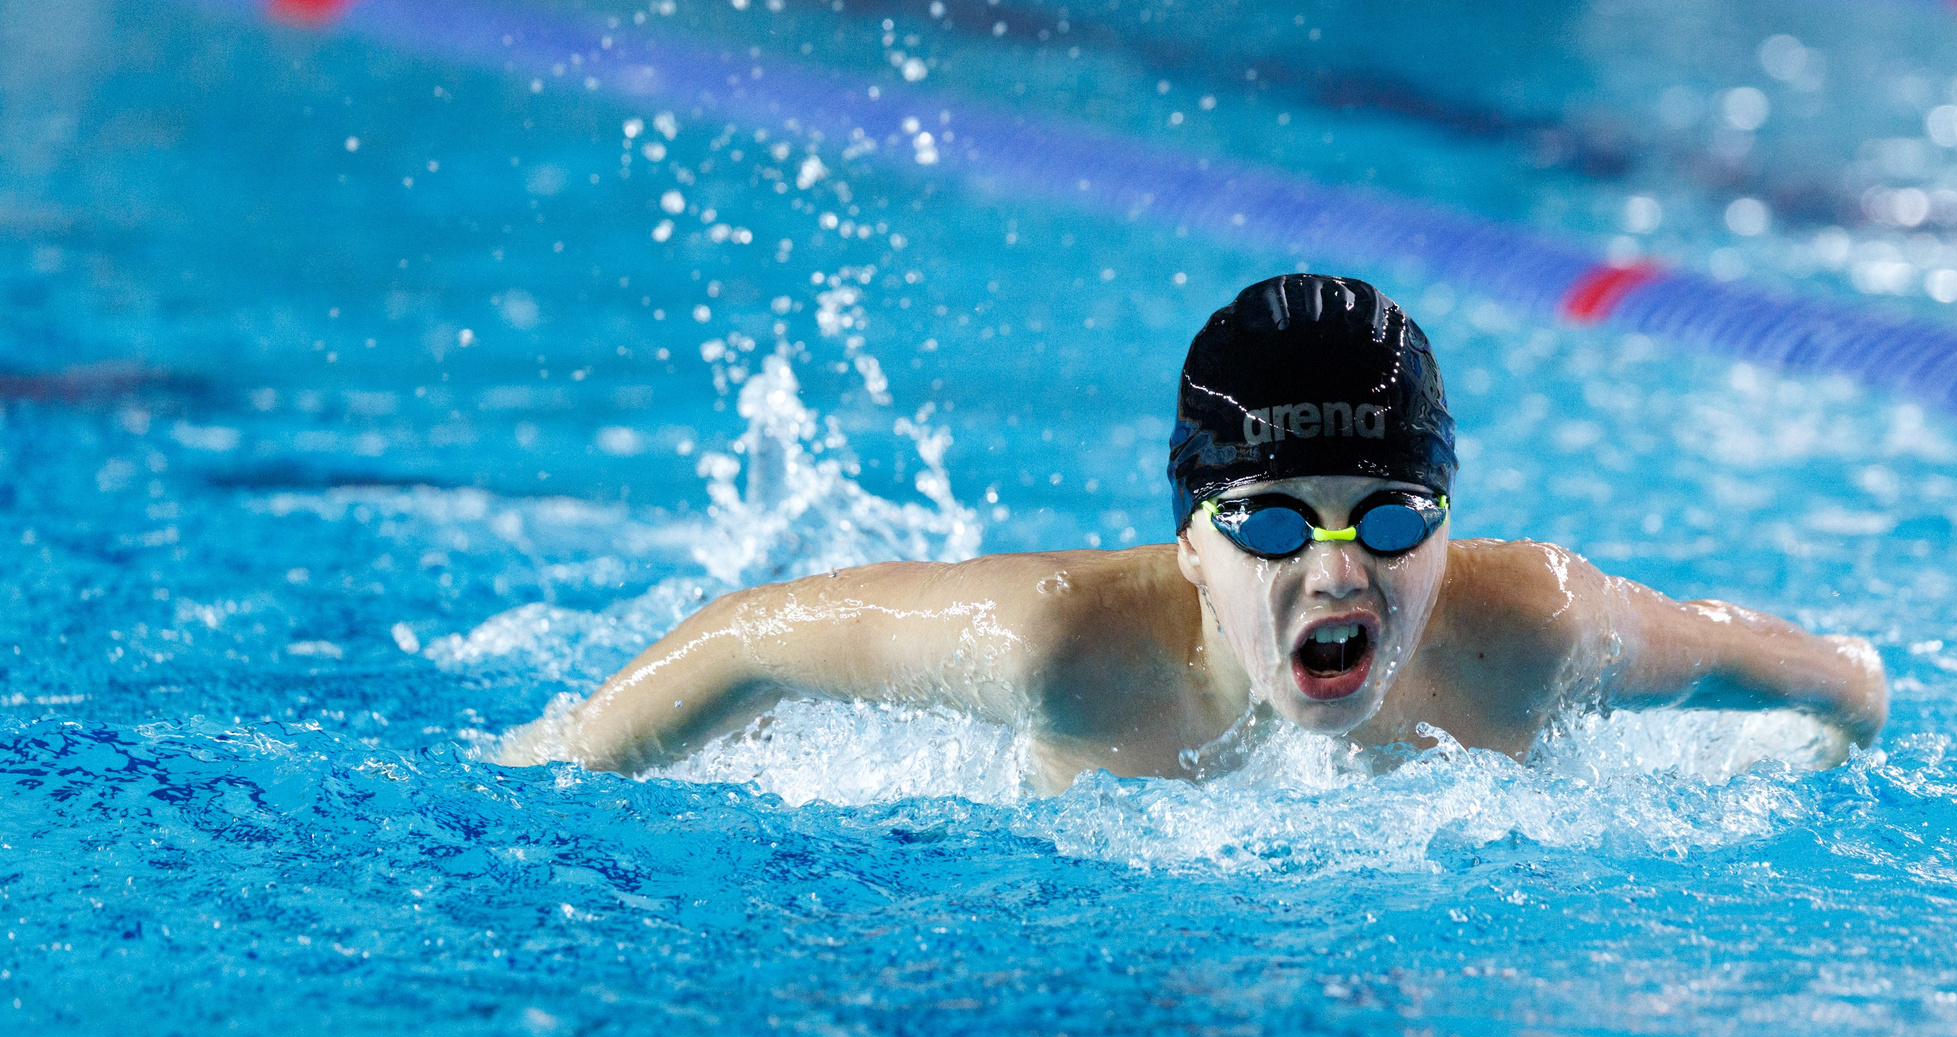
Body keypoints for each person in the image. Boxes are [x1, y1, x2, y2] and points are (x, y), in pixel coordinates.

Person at [495, 274, 1885, 789]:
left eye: (1392, 516)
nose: (1340, 569)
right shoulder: (1060, 655)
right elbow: (751, 640)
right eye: (1275, 520)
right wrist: (548, 773)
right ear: (1190, 543)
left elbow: (1824, 678)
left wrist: (1838, 731)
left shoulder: (1539, 634)